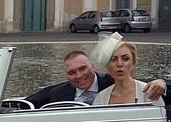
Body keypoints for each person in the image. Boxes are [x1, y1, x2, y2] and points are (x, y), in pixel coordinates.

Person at [25, 49, 166, 107]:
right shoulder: (57, 93)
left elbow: (134, 83)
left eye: (82, 68)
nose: (79, 76)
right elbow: (29, 103)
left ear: (93, 67)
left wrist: (162, 82)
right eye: (72, 72)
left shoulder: (112, 82)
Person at [92, 41, 165, 106]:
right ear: (107, 66)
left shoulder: (149, 93)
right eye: (114, 59)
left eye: (125, 59)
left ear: (133, 63)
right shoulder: (101, 98)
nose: (119, 64)